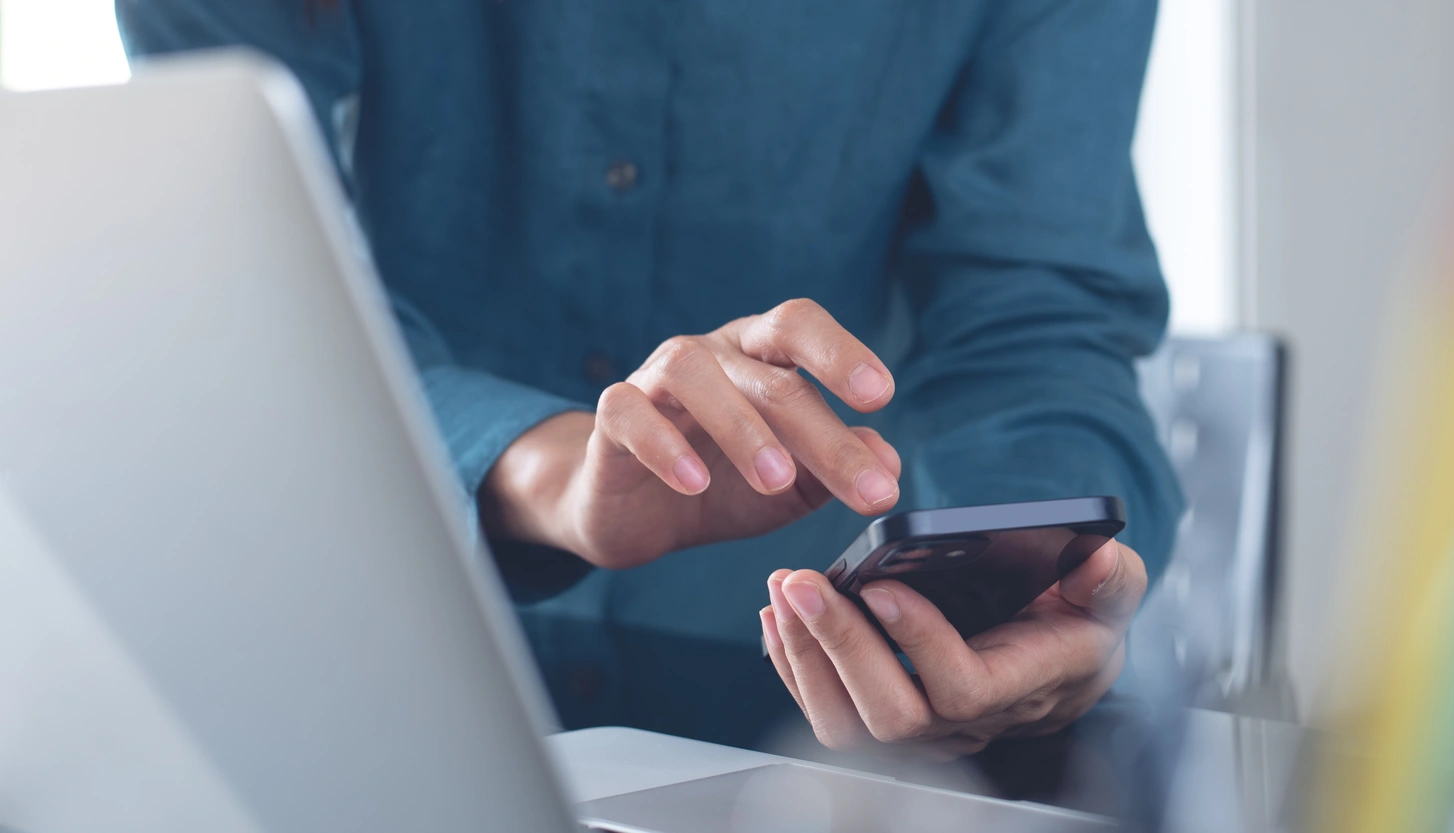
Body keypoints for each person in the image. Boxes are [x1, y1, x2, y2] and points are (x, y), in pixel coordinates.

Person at [116, 0, 1184, 758]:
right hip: (348, 699)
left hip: (817, 732)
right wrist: (552, 467)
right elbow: (243, 289)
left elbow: (1039, 311)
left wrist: (1014, 581)